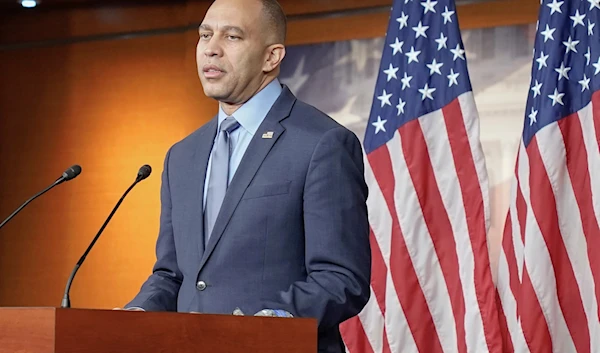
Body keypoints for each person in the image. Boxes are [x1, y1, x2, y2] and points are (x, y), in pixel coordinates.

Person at [124, 0, 371, 351]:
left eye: (232, 36)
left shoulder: (322, 143)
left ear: (272, 57)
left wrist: (267, 322)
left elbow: (342, 279)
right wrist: (136, 312)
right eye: (205, 34)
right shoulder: (182, 155)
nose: (211, 49)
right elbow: (173, 274)